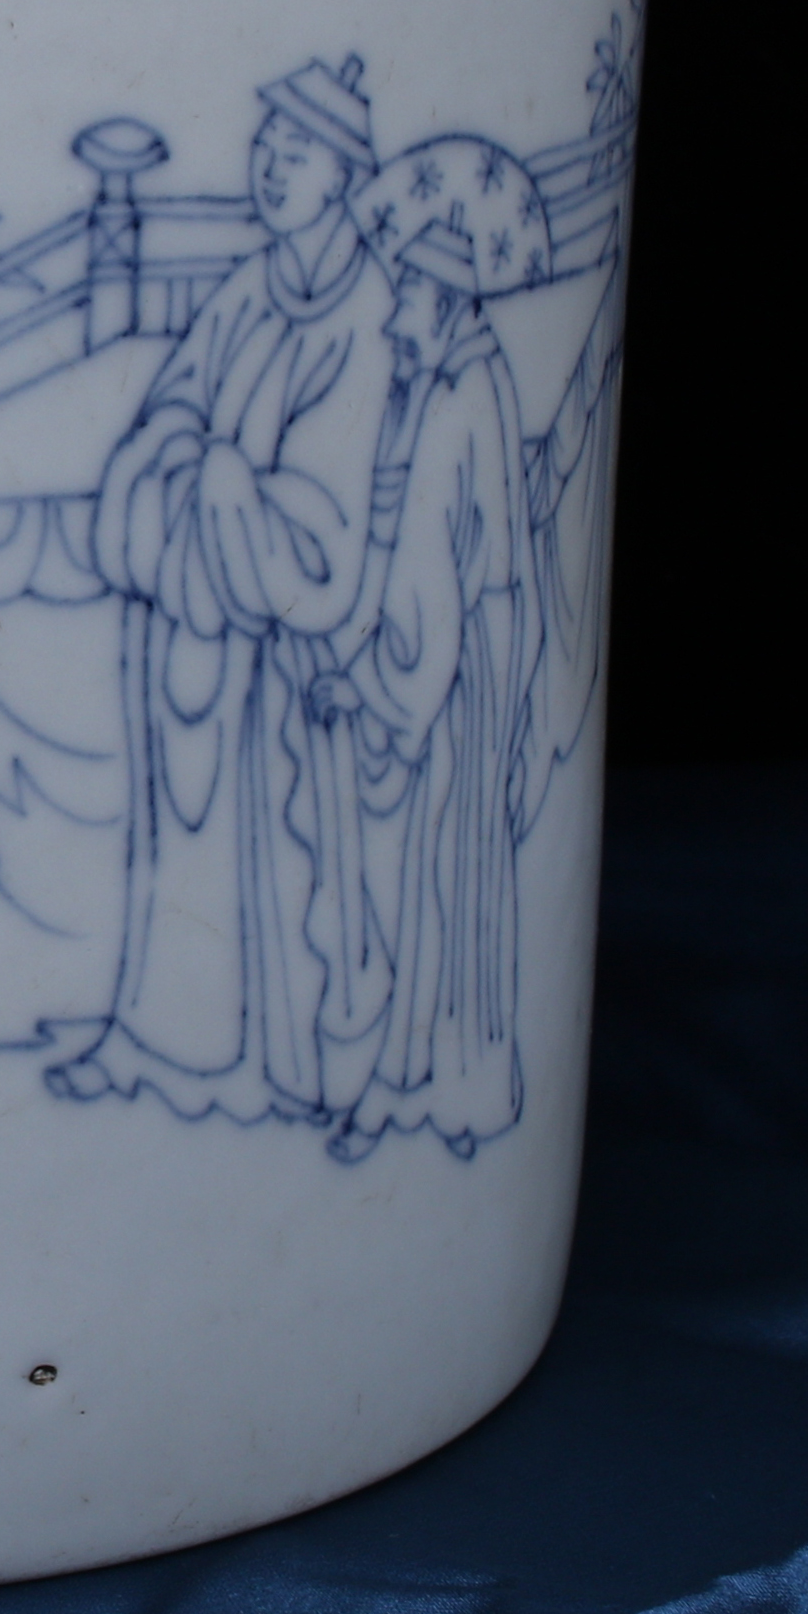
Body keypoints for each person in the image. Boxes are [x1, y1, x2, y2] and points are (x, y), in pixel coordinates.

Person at [47, 54, 402, 1123]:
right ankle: (156, 1034)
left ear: (345, 175)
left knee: (271, 857)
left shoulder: (366, 310)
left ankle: (269, 1060)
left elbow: (333, 508)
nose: (271, 166)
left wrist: (231, 487)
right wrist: (183, 464)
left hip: (280, 636)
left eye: (297, 152)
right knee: (174, 855)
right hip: (194, 607)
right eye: (265, 145)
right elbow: (171, 405)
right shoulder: (251, 285)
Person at [317, 133, 555, 1164]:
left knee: (446, 879)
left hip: (460, 673)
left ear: (448, 301)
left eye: (407, 294)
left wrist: (371, 685)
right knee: (440, 877)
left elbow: (443, 580)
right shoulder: (451, 383)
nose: (393, 314)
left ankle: (434, 1086)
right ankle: (433, 1079)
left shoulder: (464, 400)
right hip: (455, 659)